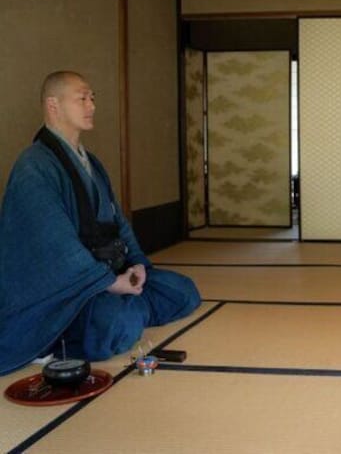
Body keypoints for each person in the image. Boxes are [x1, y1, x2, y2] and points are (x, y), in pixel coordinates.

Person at [0, 71, 201, 375]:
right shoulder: (34, 166)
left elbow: (118, 221)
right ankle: (57, 337)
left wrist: (137, 267)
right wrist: (108, 283)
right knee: (116, 325)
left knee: (183, 291)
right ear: (53, 105)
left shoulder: (91, 162)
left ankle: (122, 307)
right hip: (71, 290)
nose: (91, 105)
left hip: (110, 271)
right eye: (82, 98)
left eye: (93, 97)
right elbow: (55, 244)